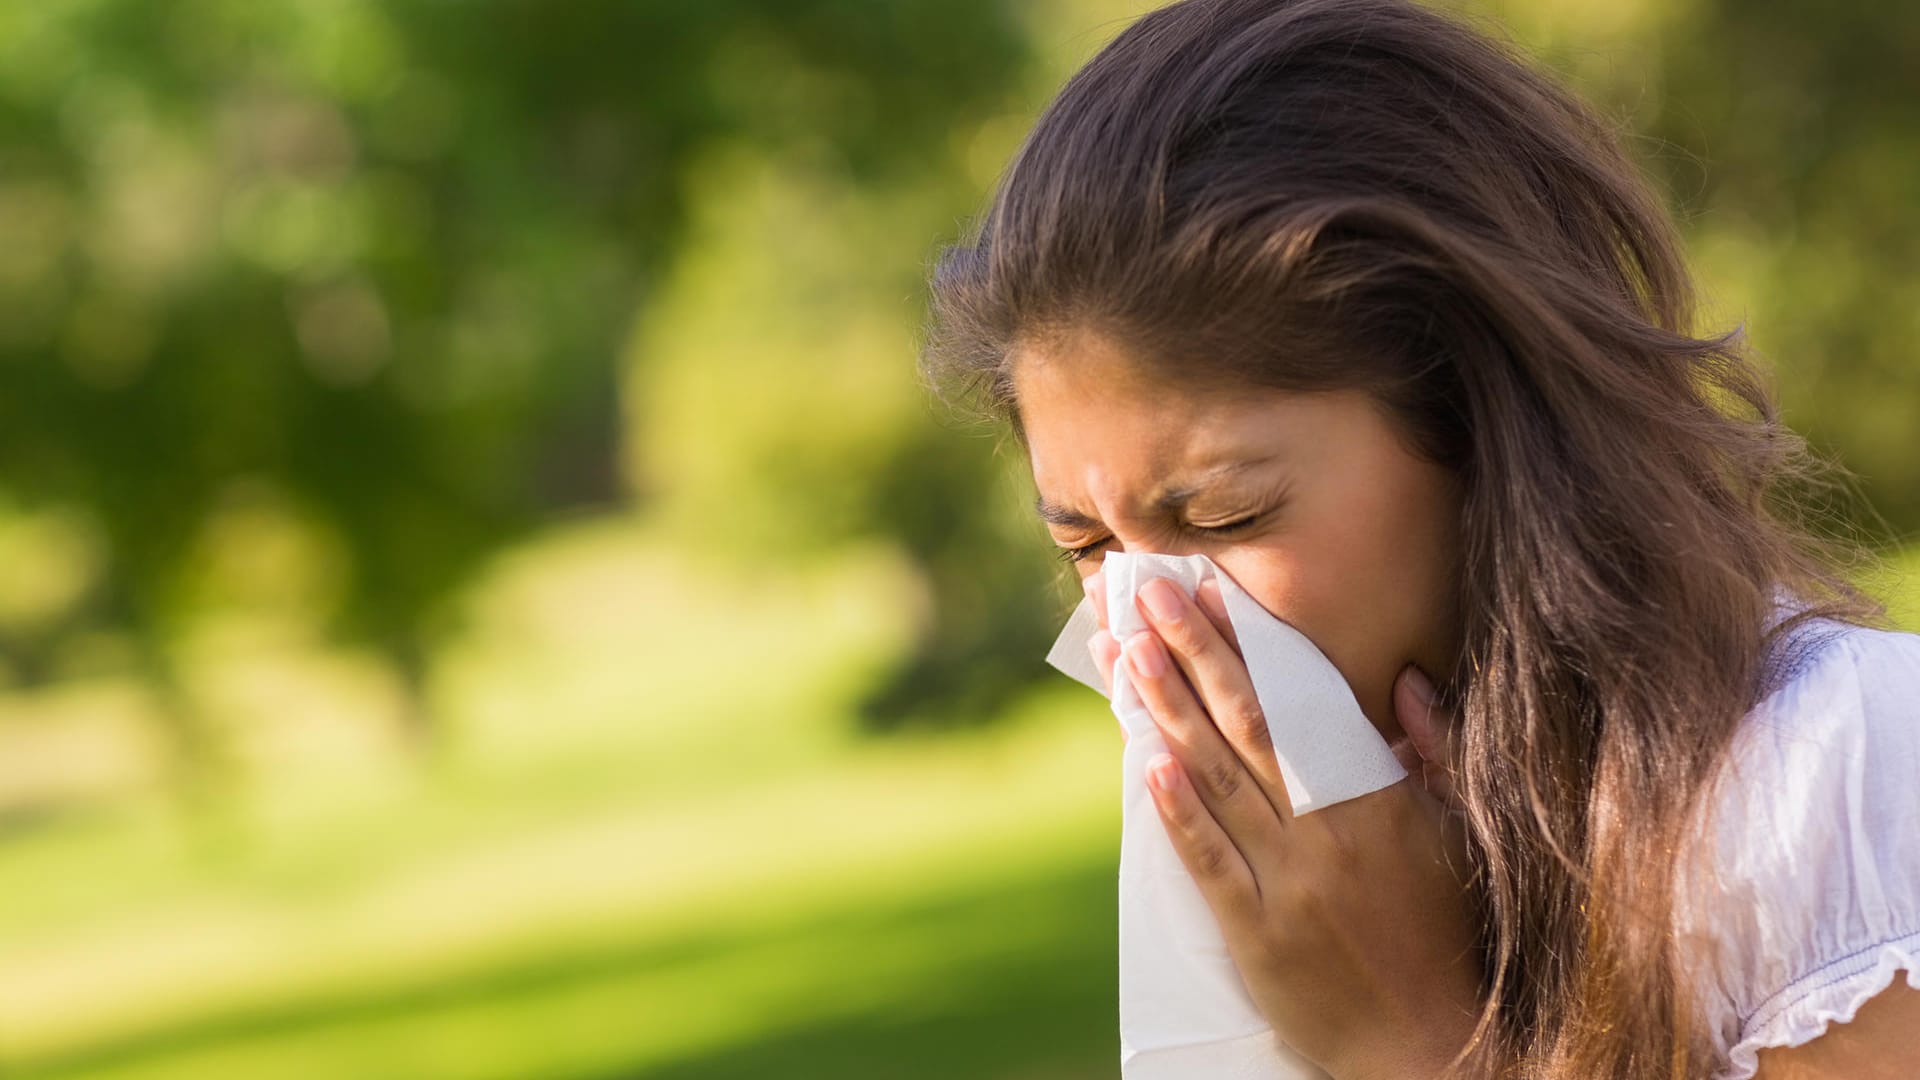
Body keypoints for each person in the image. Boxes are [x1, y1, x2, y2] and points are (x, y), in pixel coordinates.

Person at [916, 0, 1920, 1077]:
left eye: (1224, 517)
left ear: (1482, 430)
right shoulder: (1303, 896)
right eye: (1086, 547)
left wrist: (1402, 1040)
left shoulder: (1834, 787)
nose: (1152, 620)